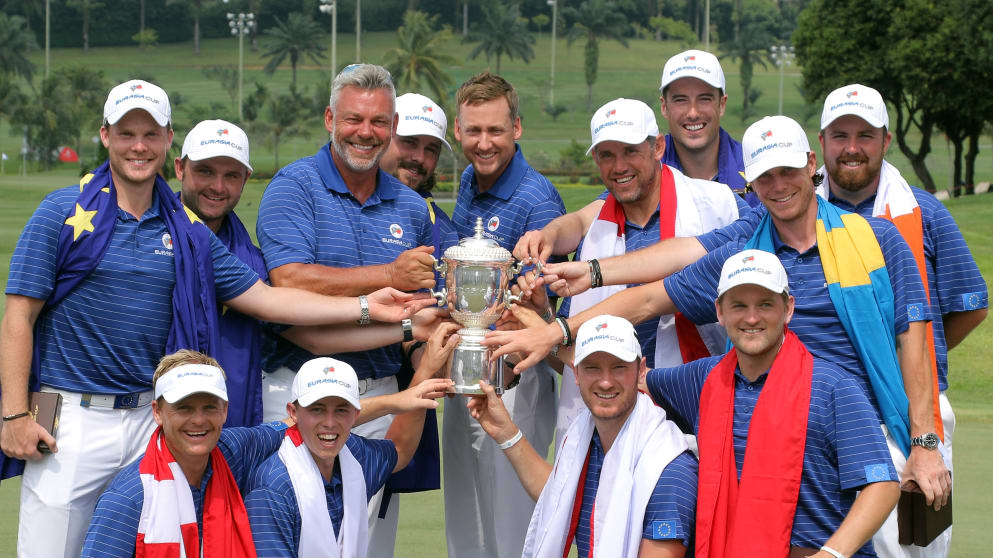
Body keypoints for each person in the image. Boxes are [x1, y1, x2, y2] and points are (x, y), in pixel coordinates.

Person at [0, 79, 428, 557]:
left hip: (152, 418)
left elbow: (268, 300)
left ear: (167, 141)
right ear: (105, 136)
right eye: (126, 134)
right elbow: (19, 313)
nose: (138, 146)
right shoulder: (61, 212)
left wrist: (368, 306)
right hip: (72, 417)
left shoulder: (188, 231)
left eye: (150, 134)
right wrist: (15, 413)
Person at [486, 114, 951, 521]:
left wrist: (925, 446)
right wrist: (560, 326)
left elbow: (915, 341)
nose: (780, 184)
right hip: (764, 449)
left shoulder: (878, 239)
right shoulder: (744, 252)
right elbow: (649, 298)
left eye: (789, 170)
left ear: (813, 165)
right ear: (752, 182)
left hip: (867, 436)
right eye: (766, 176)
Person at [254, 63, 440, 555]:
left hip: (378, 396)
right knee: (288, 538)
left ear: (394, 127)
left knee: (368, 545)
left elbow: (415, 316)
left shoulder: (410, 206)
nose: (366, 132)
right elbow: (289, 280)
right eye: (354, 119)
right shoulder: (293, 188)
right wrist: (388, 276)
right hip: (296, 393)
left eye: (379, 122)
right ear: (330, 120)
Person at [815, 84, 987, 558]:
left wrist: (914, 360)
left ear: (886, 141)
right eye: (840, 134)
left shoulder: (924, 212)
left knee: (909, 548)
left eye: (865, 135)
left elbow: (970, 303)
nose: (852, 147)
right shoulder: (796, 213)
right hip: (824, 412)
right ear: (822, 141)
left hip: (915, 418)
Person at [512, 97, 744, 444]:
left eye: (630, 151)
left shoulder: (719, 205)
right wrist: (543, 315)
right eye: (606, 154)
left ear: (659, 147)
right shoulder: (595, 229)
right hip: (608, 421)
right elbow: (569, 360)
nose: (619, 165)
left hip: (694, 408)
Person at [644, 250, 900, 557]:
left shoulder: (833, 387)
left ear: (788, 308)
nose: (752, 318)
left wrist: (832, 555)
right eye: (739, 305)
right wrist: (571, 337)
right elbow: (628, 379)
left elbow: (882, 485)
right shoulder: (703, 379)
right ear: (720, 312)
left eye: (765, 304)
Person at [445, 71, 567, 558]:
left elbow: (545, 305)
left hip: (517, 380)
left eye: (495, 130)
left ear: (517, 128)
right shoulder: (468, 183)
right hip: (469, 371)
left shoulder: (537, 198)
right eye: (473, 131)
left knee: (512, 527)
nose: (484, 142)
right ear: (457, 130)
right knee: (468, 521)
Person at [469, 313, 697, 558]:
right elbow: (558, 494)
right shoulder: (589, 437)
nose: (606, 382)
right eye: (592, 368)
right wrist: (506, 433)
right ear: (576, 374)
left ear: (640, 371)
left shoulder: (670, 467)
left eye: (619, 367)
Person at [244, 322, 460, 557]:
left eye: (341, 410)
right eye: (317, 409)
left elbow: (400, 449)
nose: (329, 422)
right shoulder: (272, 487)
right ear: (293, 413)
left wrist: (424, 374)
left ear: (356, 414)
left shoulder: (356, 456)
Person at [80, 350, 291, 557]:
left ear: (225, 410)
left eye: (209, 407)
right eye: (184, 408)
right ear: (157, 412)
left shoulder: (232, 450)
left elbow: (285, 428)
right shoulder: (127, 498)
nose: (199, 420)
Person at [658, 49, 754, 205]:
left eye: (704, 99)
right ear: (664, 107)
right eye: (681, 100)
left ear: (722, 104)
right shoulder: (647, 168)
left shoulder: (755, 167)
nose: (693, 113)